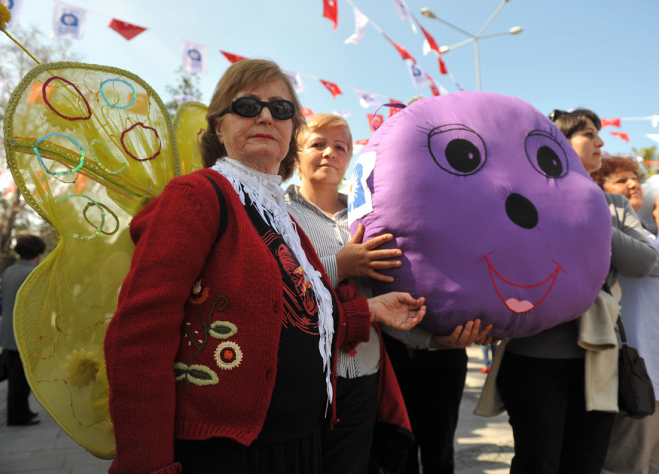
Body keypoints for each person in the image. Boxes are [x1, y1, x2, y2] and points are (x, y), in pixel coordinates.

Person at [104, 59, 428, 474]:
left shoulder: (284, 220)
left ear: (291, 131)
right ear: (218, 127)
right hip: (225, 452)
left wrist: (370, 312)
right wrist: (146, 464)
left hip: (301, 442)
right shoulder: (197, 195)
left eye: (280, 109)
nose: (264, 115)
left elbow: (292, 316)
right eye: (246, 105)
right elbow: (140, 332)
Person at [285, 113, 492, 474]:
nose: (329, 153)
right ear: (295, 154)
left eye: (340, 147)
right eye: (318, 144)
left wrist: (435, 341)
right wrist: (340, 266)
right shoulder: (279, 215)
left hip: (365, 378)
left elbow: (386, 309)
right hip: (304, 381)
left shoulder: (369, 217)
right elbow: (277, 290)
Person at [490, 108, 657, 474]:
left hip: (599, 360)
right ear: (558, 142)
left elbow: (644, 261)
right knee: (538, 463)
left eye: (600, 133)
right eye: (588, 134)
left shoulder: (614, 205)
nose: (600, 142)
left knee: (586, 464)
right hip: (533, 357)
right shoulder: (524, 194)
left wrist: (590, 217)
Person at [591, 157, 659, 473]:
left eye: (635, 177)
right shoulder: (613, 224)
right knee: (629, 465)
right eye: (620, 180)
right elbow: (658, 261)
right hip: (642, 372)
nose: (633, 184)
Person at [0, 234, 45, 426]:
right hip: (25, 331)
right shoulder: (33, 272)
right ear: (38, 252)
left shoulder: (9, 270)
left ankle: (19, 412)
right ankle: (18, 415)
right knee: (21, 378)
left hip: (9, 328)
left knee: (16, 376)